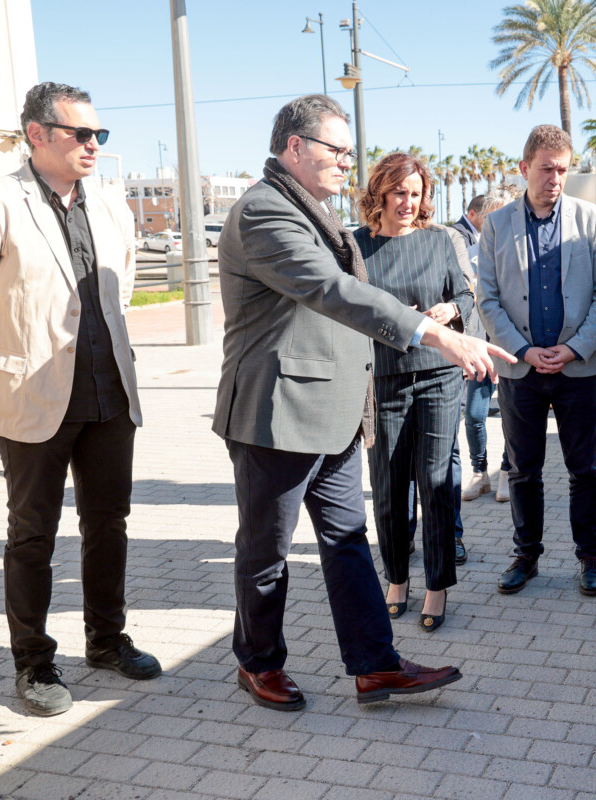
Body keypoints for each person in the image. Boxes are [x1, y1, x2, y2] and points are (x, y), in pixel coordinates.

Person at [213, 94, 514, 710]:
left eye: (351, 152)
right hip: (278, 413)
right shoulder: (265, 211)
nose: (347, 161)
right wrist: (437, 332)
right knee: (266, 552)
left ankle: (375, 666)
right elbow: (332, 290)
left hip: (335, 412)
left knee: (348, 541)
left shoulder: (312, 209)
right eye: (336, 149)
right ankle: (258, 663)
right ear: (295, 147)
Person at [0, 82, 161, 717]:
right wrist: (7, 363)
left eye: (100, 135)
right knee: (32, 533)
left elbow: (124, 285)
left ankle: (106, 639)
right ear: (37, 134)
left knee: (108, 523)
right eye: (80, 134)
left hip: (108, 393)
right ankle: (34, 664)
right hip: (31, 397)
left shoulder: (112, 204)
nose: (94, 145)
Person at [476, 124, 596, 597]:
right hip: (521, 370)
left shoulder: (593, 220)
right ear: (524, 169)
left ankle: (590, 556)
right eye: (546, 168)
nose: (555, 177)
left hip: (578, 368)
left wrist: (575, 348)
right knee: (523, 470)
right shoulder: (496, 225)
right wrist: (523, 349)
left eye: (562, 169)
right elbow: (488, 298)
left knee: (586, 470)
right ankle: (526, 554)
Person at [354, 152, 474, 633]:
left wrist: (451, 309)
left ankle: (438, 584)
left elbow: (466, 296)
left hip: (438, 374)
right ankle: (397, 578)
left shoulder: (440, 240)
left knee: (434, 481)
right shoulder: (356, 245)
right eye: (399, 192)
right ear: (380, 192)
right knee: (387, 484)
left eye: (416, 193)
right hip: (382, 378)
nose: (408, 202)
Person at [458, 189, 515, 504]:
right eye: (494, 216)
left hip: (511, 351)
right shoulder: (470, 255)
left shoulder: (521, 255)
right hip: (478, 349)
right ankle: (479, 472)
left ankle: (506, 472)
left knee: (511, 415)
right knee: (475, 416)